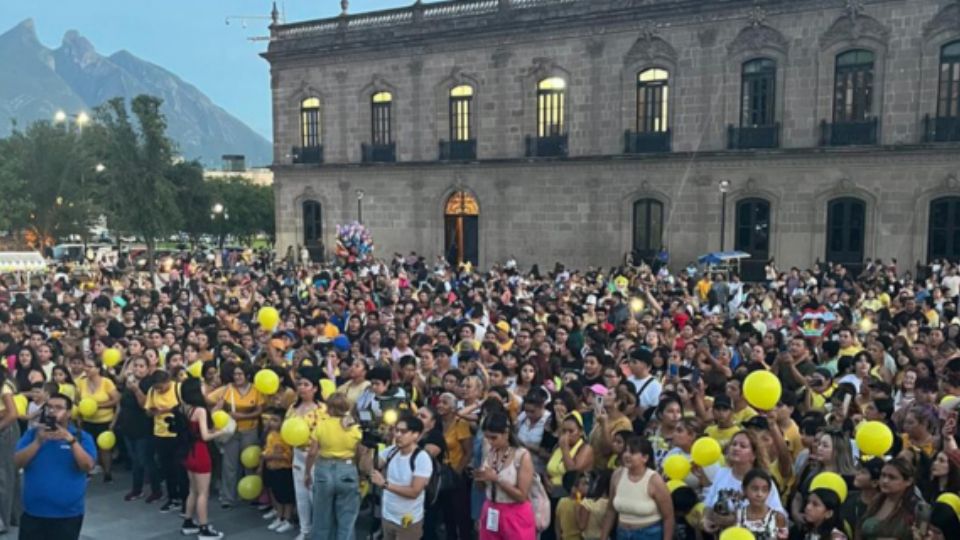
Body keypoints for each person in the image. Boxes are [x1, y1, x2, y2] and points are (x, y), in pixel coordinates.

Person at [13, 392, 96, 540]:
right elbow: (17, 463)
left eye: (58, 408)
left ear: (69, 413)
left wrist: (71, 441)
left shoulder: (81, 437)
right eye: (49, 407)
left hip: (67, 514)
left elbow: (87, 466)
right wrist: (38, 442)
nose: (52, 411)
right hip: (34, 512)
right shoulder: (32, 435)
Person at [306, 391, 363, 540]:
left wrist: (307, 472)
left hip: (324, 469)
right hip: (347, 468)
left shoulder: (321, 426)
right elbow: (359, 452)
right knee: (347, 518)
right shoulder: (354, 428)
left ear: (329, 408)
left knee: (321, 517)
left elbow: (312, 452)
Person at [473, 411, 537, 540]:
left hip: (515, 513)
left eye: (493, 437)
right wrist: (479, 478)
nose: (490, 441)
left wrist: (496, 479)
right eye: (487, 437)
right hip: (491, 509)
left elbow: (522, 496)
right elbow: (482, 488)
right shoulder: (490, 452)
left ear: (506, 434)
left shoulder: (522, 455)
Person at [370, 415, 434, 540]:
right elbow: (371, 467)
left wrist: (385, 484)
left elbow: (414, 491)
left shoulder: (422, 458)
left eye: (403, 432)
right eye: (396, 430)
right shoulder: (392, 451)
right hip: (388, 516)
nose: (398, 435)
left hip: (407, 520)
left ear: (416, 435)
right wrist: (366, 448)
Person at [210, 362, 263, 508]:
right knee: (229, 465)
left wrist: (243, 416)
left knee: (250, 463)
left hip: (250, 430)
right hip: (231, 431)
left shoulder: (256, 390)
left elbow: (259, 410)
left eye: (240, 374)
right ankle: (228, 497)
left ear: (247, 375)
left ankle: (252, 494)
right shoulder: (227, 389)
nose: (237, 377)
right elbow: (210, 400)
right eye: (235, 374)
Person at [600, 435, 674, 540]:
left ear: (645, 458)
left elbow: (668, 517)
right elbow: (611, 510)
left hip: (649, 534)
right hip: (622, 533)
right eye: (625, 451)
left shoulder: (655, 480)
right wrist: (603, 536)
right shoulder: (617, 475)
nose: (627, 455)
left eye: (632, 452)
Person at [178, 378, 225, 539]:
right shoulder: (200, 410)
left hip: (188, 452)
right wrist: (220, 432)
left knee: (193, 490)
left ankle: (188, 522)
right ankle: (204, 528)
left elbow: (197, 425)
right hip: (200, 452)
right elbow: (205, 435)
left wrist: (214, 411)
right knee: (203, 493)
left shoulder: (185, 407)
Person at [77, 356, 120, 483]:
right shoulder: (81, 382)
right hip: (87, 420)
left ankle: (107, 473)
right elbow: (78, 400)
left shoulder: (107, 382)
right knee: (87, 446)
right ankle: (88, 471)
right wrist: (79, 416)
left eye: (90, 366)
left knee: (104, 448)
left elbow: (116, 400)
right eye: (85, 366)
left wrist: (98, 406)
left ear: (98, 369)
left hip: (104, 420)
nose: (86, 369)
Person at [857, 458, 917, 540]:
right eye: (883, 475)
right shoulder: (877, 500)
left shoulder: (914, 508)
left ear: (908, 481)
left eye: (892, 478)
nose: (885, 481)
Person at [260, 407, 295, 534]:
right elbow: (268, 449)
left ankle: (288, 519)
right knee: (277, 495)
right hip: (272, 467)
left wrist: (272, 456)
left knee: (286, 496)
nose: (270, 423)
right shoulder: (271, 435)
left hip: (284, 469)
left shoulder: (286, 436)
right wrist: (264, 455)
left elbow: (288, 455)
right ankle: (279, 516)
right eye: (270, 420)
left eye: (275, 420)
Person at [735, 469, 787, 540]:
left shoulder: (778, 518)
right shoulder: (737, 516)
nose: (760, 494)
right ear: (744, 489)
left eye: (764, 490)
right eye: (755, 489)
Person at [0, 368, 21, 533]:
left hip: (6, 429)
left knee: (4, 475)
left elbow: (13, 413)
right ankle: (15, 515)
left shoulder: (4, 387)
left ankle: (3, 520)